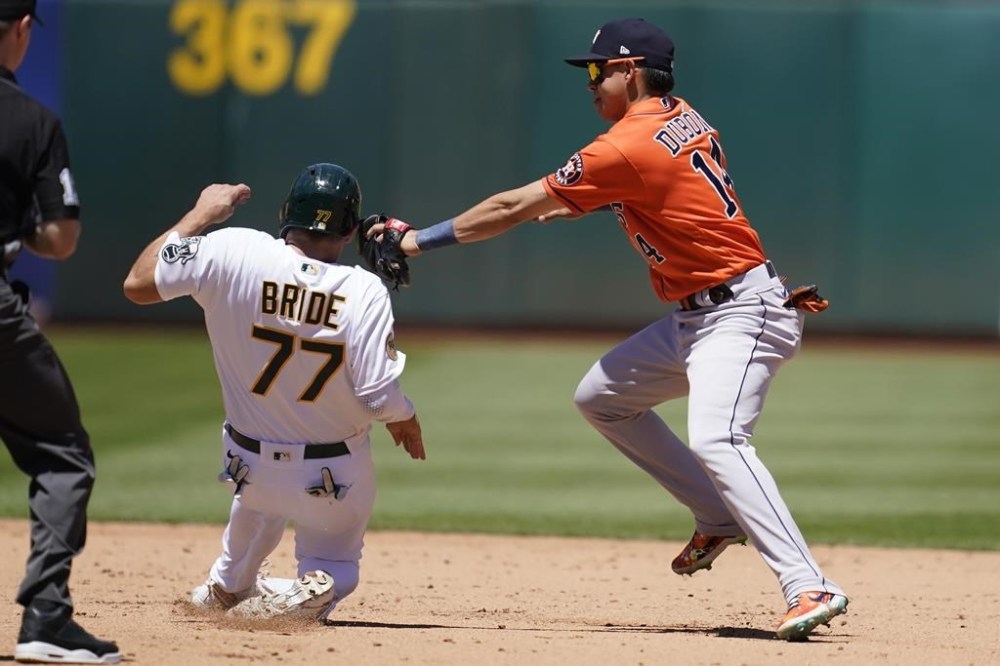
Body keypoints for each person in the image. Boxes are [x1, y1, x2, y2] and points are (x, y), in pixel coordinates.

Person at [367, 18, 847, 640]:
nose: (590, 82)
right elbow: (644, 192)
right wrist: (571, 202)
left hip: (740, 312)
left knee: (719, 439)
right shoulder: (680, 114)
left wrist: (415, 241)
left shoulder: (623, 145)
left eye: (598, 70)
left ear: (630, 71)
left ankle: (807, 583)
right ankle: (714, 513)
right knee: (601, 398)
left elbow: (514, 206)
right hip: (702, 314)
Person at [122, 163, 425, 621]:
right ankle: (313, 586)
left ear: (287, 214)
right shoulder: (365, 290)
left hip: (247, 470)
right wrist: (405, 415)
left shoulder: (233, 248)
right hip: (332, 480)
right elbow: (378, 398)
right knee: (337, 563)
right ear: (350, 232)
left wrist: (201, 214)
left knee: (257, 506)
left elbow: (138, 284)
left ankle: (227, 585)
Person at [1, 1, 122, 662]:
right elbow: (59, 238)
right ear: (20, 30)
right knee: (61, 450)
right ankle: (45, 616)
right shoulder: (31, 119)